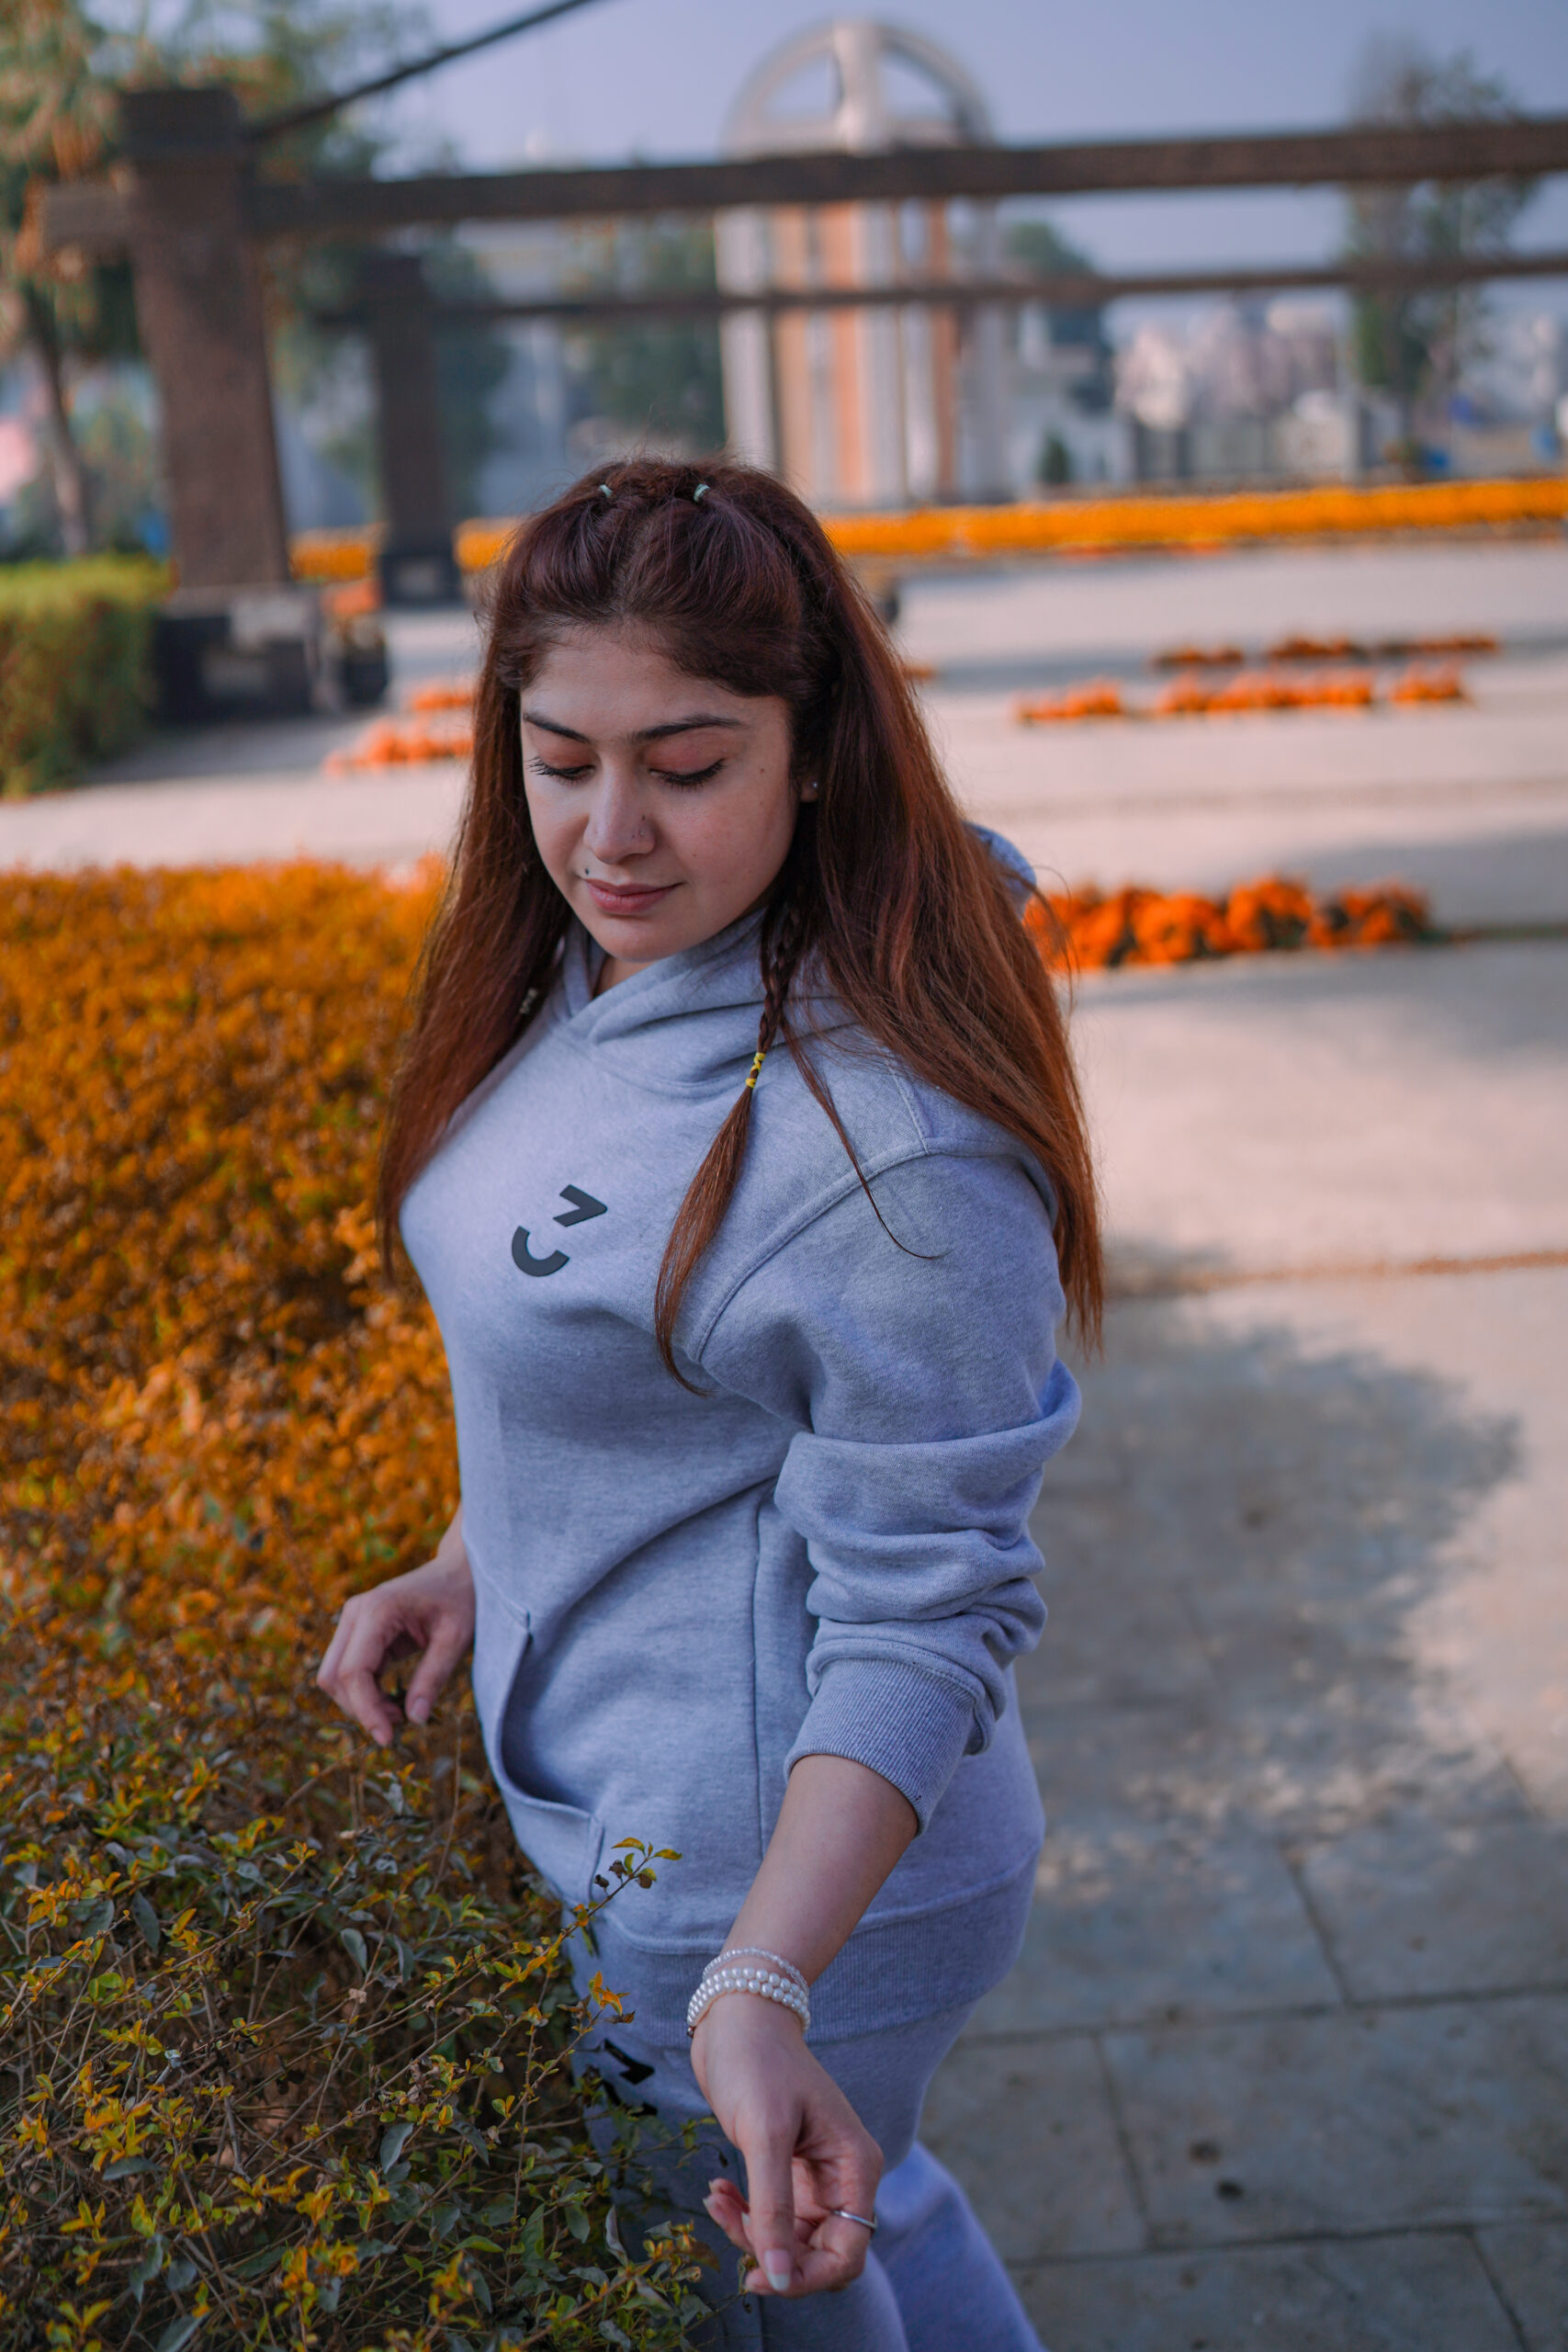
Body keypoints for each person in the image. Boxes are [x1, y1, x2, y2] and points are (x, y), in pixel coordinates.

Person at [317, 458, 1100, 2351]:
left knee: (760, 2294)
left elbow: (928, 1608)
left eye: (685, 764)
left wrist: (761, 1975)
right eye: (558, 758)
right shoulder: (601, 967)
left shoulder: (892, 1150)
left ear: (816, 751)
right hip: (656, 1805)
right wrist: (477, 1552)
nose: (611, 832)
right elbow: (618, 1357)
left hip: (777, 1873)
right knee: (880, 2201)